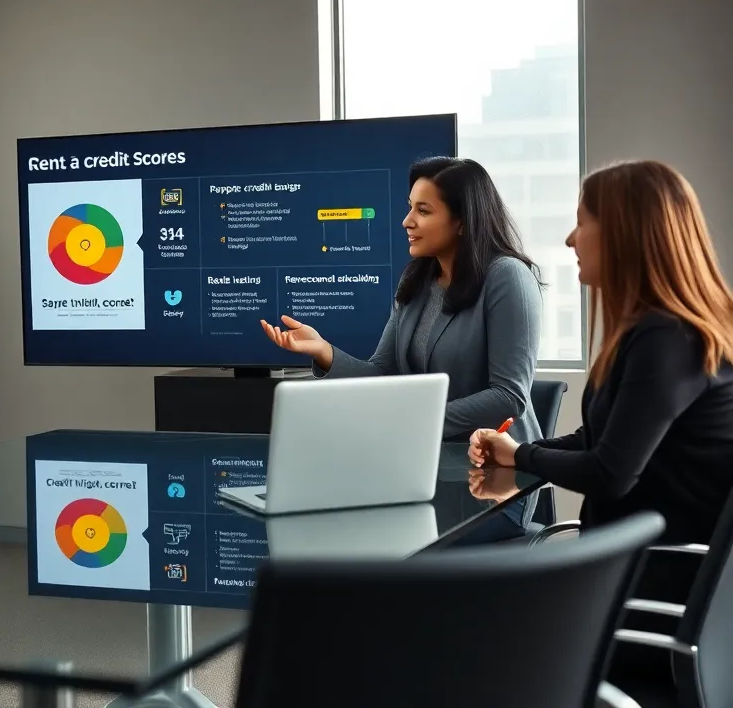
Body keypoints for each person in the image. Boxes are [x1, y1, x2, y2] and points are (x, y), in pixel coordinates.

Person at [469, 160, 733, 692]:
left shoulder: (667, 339)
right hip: (642, 579)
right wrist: (517, 449)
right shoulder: (656, 332)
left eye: (582, 221)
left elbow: (611, 473)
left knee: (464, 633)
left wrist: (522, 457)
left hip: (647, 597)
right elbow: (599, 441)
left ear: (624, 234)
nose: (570, 239)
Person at [260, 156, 545, 443]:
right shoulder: (416, 282)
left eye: (423, 210)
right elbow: (382, 374)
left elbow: (508, 397)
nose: (407, 221)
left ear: (462, 222)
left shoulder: (508, 277)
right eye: (411, 207)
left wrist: (417, 422)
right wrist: (323, 351)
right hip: (425, 459)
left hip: (499, 466)